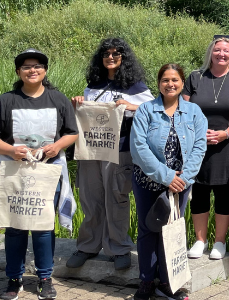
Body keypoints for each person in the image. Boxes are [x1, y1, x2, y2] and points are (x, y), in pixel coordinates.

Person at [0, 48, 78, 300]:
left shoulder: (58, 99)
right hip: (14, 172)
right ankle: (14, 278)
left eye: (37, 66)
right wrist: (11, 151)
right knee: (15, 227)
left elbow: (72, 132)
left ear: (45, 71)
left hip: (48, 172)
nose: (32, 70)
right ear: (18, 72)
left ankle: (45, 277)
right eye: (26, 67)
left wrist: (57, 146)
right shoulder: (5, 101)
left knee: (44, 226)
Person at [67, 37, 154, 270]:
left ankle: (119, 248)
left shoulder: (136, 86)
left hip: (119, 150)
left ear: (124, 57)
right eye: (106, 53)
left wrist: (129, 105)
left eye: (116, 53)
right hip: (90, 148)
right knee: (90, 197)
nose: (111, 57)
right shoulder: (93, 84)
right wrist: (78, 102)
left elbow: (154, 110)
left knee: (116, 198)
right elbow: (86, 113)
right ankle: (87, 246)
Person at [130, 64, 208, 300]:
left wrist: (182, 178)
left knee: (171, 230)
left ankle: (167, 282)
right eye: (165, 80)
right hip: (148, 181)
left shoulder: (194, 112)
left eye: (175, 79)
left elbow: (199, 147)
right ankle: (146, 280)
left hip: (181, 184)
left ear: (182, 83)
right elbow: (138, 147)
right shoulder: (145, 110)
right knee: (147, 229)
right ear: (159, 83)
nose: (170, 84)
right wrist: (165, 176)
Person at [183, 36, 229, 260]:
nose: (221, 54)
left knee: (224, 194)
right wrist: (197, 132)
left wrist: (225, 133)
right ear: (210, 53)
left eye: (226, 51)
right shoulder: (195, 77)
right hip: (197, 144)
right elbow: (182, 108)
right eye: (217, 50)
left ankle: (220, 242)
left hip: (228, 145)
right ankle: (200, 241)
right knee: (200, 192)